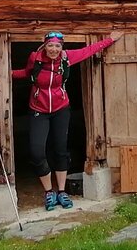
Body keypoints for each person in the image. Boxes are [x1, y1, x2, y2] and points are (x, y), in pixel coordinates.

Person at [13, 30, 123, 210]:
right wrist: (6, 74)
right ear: (44, 45)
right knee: (37, 152)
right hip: (38, 110)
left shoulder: (66, 58)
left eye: (57, 46)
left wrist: (110, 39)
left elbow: (89, 50)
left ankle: (62, 191)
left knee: (60, 150)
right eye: (50, 45)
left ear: (61, 47)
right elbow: (26, 73)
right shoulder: (35, 58)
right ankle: (49, 192)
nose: (54, 49)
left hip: (61, 109)